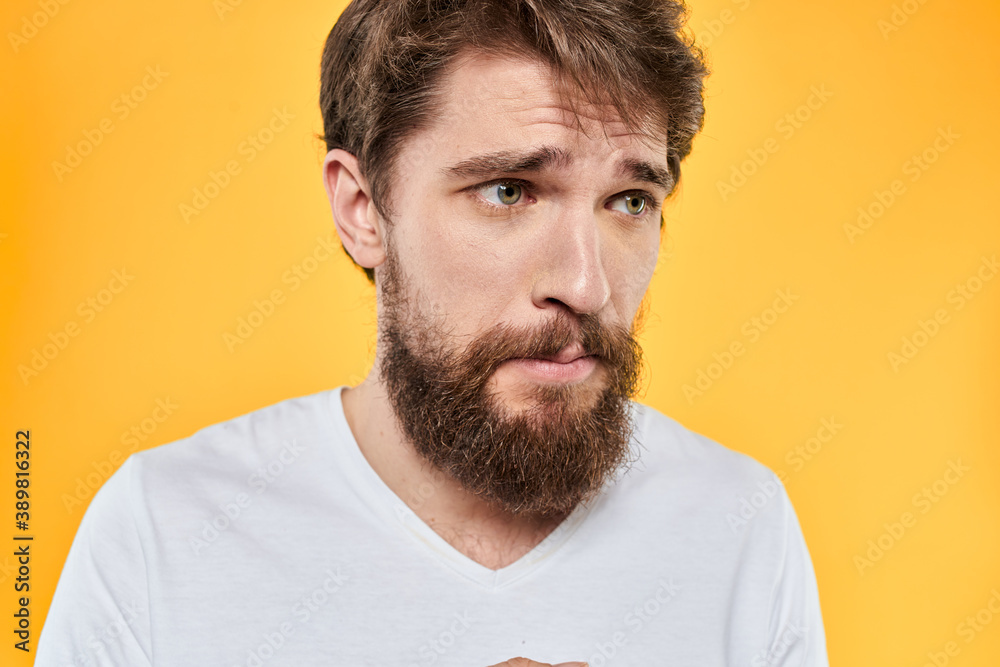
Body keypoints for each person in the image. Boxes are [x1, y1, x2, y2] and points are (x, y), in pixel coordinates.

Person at [36, 1, 829, 665]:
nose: (585, 285)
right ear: (362, 210)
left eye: (629, 200)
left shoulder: (738, 526)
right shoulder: (162, 535)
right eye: (509, 190)